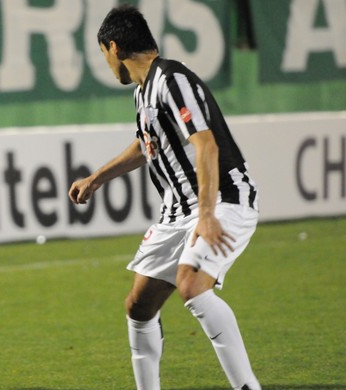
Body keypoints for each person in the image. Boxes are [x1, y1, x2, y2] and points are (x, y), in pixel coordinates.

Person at [68, 5, 261, 390]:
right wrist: (97, 178)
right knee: (138, 306)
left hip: (223, 199)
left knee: (191, 285)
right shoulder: (144, 93)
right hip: (177, 214)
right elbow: (146, 145)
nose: (107, 64)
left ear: (114, 47)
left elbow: (205, 146)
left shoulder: (172, 80)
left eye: (104, 55)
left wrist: (207, 215)